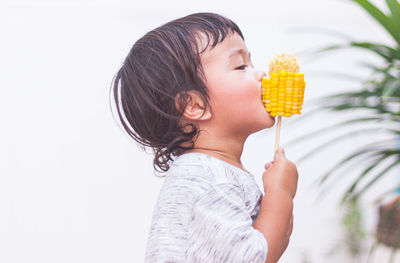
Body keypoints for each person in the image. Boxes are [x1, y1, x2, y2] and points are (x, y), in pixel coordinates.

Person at [110, 12, 299, 263]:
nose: (261, 74)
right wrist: (280, 192)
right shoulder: (209, 181)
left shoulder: (212, 173)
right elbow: (257, 258)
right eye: (241, 66)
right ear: (195, 105)